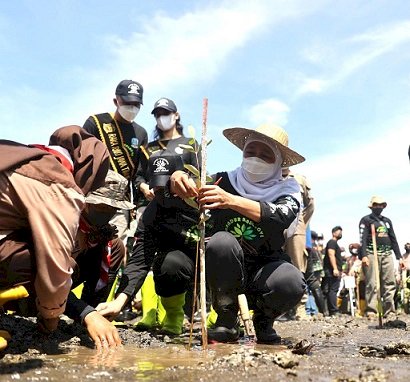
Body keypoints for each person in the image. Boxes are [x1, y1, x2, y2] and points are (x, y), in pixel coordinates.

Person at [171, 123, 306, 343]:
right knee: (221, 241)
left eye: (265, 155)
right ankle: (226, 319)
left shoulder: (288, 189)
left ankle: (264, 321)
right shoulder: (223, 181)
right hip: (226, 275)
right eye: (251, 151)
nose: (255, 159)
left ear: (278, 163)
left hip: (265, 274)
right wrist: (177, 177)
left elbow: (281, 216)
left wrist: (230, 201)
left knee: (291, 282)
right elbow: (189, 188)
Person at [96, 99, 201, 335]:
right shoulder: (154, 207)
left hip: (199, 246)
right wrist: (120, 301)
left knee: (217, 251)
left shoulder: (203, 200)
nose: (162, 118)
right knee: (165, 264)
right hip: (167, 238)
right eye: (158, 188)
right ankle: (165, 313)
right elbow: (140, 259)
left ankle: (220, 314)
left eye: (167, 113)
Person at [0, 125, 109, 335]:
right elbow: (55, 268)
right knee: (50, 263)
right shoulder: (59, 183)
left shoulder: (25, 157)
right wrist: (51, 319)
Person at [82, 79, 148, 241]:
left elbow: (139, 173)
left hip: (120, 203)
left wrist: (144, 190)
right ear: (116, 101)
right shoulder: (96, 123)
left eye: (136, 104)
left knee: (115, 246)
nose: (132, 108)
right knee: (85, 242)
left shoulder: (141, 133)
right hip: (92, 198)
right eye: (127, 103)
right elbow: (81, 158)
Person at [359, 196, 404, 318]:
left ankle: (389, 310)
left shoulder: (387, 221)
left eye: (381, 205)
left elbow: (393, 239)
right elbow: (362, 239)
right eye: (376, 204)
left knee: (389, 282)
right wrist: (364, 256)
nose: (378, 207)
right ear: (372, 206)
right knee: (372, 283)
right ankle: (371, 310)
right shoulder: (366, 220)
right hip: (371, 253)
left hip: (387, 254)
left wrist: (399, 257)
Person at [321, 226, 343, 317]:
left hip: (331, 271)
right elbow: (331, 255)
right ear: (333, 233)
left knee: (328, 290)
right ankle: (333, 310)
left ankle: (328, 310)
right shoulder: (332, 242)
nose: (341, 233)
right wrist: (335, 268)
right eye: (339, 232)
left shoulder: (333, 243)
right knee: (333, 290)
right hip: (331, 271)